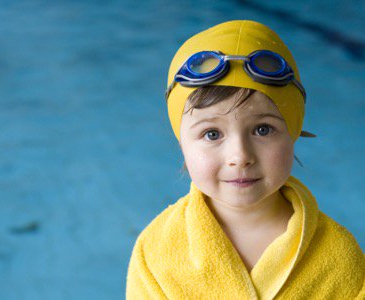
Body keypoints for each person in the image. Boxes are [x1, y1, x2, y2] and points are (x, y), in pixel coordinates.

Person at [126, 20, 364, 299]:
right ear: (182, 143)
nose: (240, 156)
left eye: (262, 129)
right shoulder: (156, 251)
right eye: (212, 133)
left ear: (293, 131)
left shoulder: (339, 256)